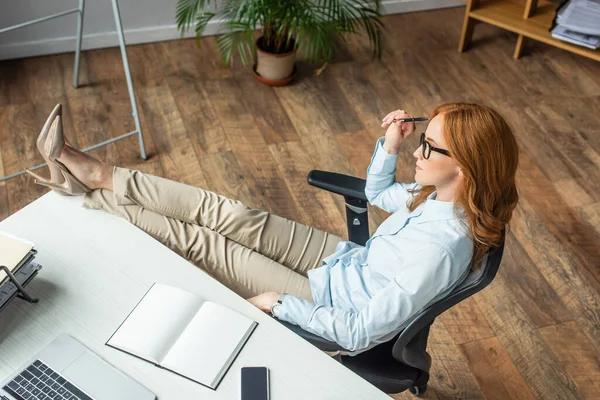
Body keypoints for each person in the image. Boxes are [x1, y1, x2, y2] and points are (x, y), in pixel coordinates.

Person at [26, 102, 519, 354]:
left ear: (468, 164)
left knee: (201, 242)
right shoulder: (435, 195)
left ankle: (89, 195)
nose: (419, 153)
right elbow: (375, 194)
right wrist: (390, 143)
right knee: (225, 211)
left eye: (429, 148)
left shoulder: (442, 248)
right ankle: (98, 175)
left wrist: (281, 304)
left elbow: (364, 330)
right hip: (342, 261)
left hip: (331, 300)